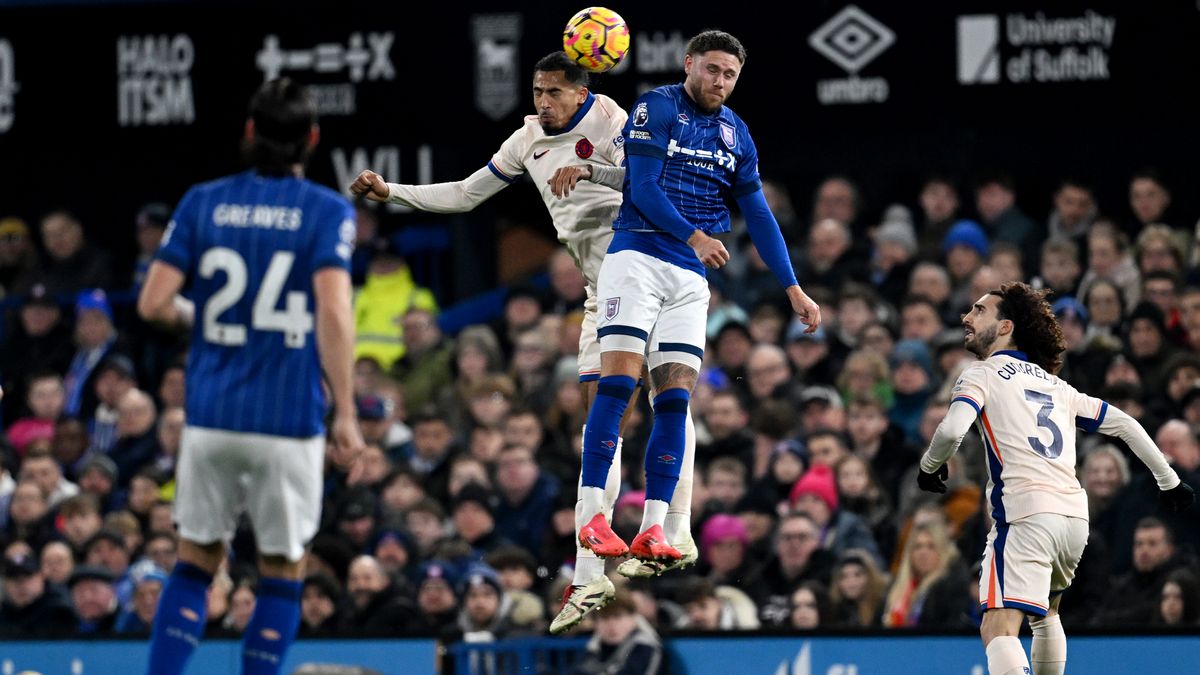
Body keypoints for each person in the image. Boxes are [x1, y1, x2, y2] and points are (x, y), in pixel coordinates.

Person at [349, 52, 658, 633]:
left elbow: (650, 183)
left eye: (554, 93)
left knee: (650, 405)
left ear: (582, 92)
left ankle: (666, 526)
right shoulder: (526, 139)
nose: (542, 102)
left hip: (642, 271)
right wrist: (391, 192)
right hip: (600, 290)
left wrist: (592, 172)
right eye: (537, 90)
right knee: (598, 424)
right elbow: (466, 194)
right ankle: (591, 573)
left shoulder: (614, 122)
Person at [574, 25, 820, 605]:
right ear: (689, 64)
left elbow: (758, 215)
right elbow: (644, 186)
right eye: (712, 69)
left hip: (689, 278)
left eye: (730, 75)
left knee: (677, 401)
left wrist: (793, 289)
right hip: (636, 258)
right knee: (616, 387)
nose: (720, 82)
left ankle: (655, 526)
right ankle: (592, 517)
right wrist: (694, 235)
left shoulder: (737, 133)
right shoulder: (655, 107)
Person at [137, 78, 364, 675]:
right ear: (311, 140)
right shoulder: (326, 210)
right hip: (287, 418)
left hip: (211, 414)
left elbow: (154, 304)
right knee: (282, 571)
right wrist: (345, 411)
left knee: (194, 562)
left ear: (248, 133)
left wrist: (206, 317)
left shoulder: (201, 201)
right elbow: (334, 312)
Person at [917, 281, 1194, 675]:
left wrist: (930, 466)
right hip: (1072, 517)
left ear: (1006, 326)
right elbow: (1126, 424)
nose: (966, 317)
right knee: (1046, 611)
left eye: (979, 311)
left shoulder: (981, 374)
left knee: (998, 625)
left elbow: (949, 432)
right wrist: (1169, 481)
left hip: (1025, 511)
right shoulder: (1058, 387)